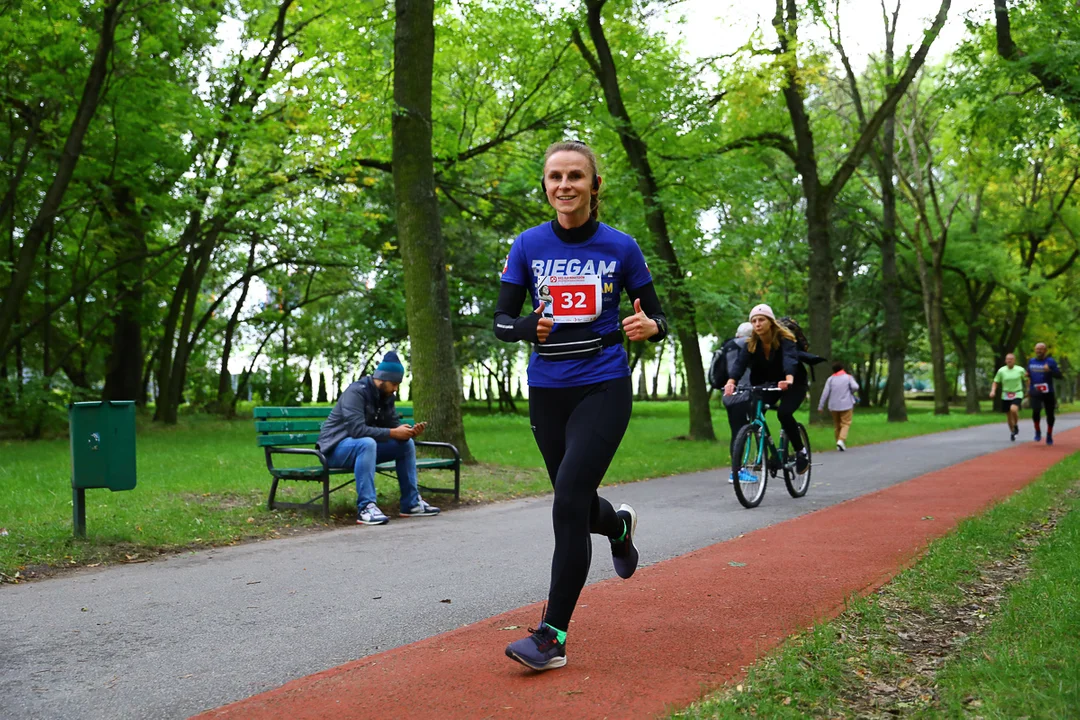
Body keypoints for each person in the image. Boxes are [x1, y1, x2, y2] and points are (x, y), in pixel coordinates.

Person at [493, 140, 668, 671]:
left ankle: (552, 637)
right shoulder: (526, 245)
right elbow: (501, 323)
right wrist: (527, 326)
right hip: (548, 391)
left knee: (567, 499)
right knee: (574, 499)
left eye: (575, 176)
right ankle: (616, 526)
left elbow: (659, 317)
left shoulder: (622, 246)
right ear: (545, 186)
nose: (564, 185)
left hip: (603, 385)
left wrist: (650, 327)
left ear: (594, 186)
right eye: (554, 177)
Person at [316, 351, 440, 525]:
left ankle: (411, 504)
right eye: (394, 384)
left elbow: (393, 425)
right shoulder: (356, 392)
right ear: (381, 379)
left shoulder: (387, 396)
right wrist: (392, 433)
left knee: (406, 444)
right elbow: (357, 430)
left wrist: (407, 433)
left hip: (363, 449)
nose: (396, 388)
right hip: (334, 449)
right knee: (366, 443)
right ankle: (366, 507)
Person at [724, 304, 809, 475]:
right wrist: (731, 382)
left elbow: (789, 359)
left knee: (783, 414)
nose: (757, 324)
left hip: (794, 383)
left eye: (761, 320)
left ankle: (801, 452)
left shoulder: (786, 339)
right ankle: (767, 453)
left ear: (770, 322)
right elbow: (739, 364)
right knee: (755, 411)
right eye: (754, 321)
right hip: (770, 384)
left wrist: (789, 378)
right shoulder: (752, 344)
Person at [713, 322, 755, 482]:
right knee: (744, 431)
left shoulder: (727, 346)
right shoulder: (749, 345)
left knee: (736, 433)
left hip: (728, 394)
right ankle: (738, 471)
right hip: (744, 393)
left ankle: (738, 469)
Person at [1027, 342, 1063, 445]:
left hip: (1048, 392)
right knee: (1036, 411)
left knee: (1050, 414)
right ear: (1035, 350)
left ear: (1045, 351)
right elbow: (1028, 374)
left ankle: (1049, 434)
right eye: (1037, 349)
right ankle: (1037, 431)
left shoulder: (1050, 361)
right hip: (1035, 391)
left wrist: (1050, 370)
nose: (1039, 351)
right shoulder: (1031, 361)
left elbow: (1059, 376)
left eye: (1041, 349)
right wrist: (1028, 387)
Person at [818, 361, 860, 451]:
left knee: (837, 425)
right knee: (846, 423)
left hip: (833, 406)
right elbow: (855, 387)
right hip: (846, 404)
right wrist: (851, 391)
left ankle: (839, 444)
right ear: (842, 368)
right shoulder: (848, 377)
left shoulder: (830, 379)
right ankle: (841, 440)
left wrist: (820, 406)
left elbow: (825, 393)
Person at [990, 353, 1027, 442]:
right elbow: (995, 382)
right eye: (1007, 359)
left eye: (1011, 359)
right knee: (1008, 415)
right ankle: (1013, 432)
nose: (1009, 361)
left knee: (1013, 409)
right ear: (1005, 360)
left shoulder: (1020, 370)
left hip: (1017, 393)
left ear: (1014, 360)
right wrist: (993, 391)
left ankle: (1016, 425)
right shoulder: (1001, 371)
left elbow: (1027, 379)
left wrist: (1029, 389)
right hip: (1006, 394)